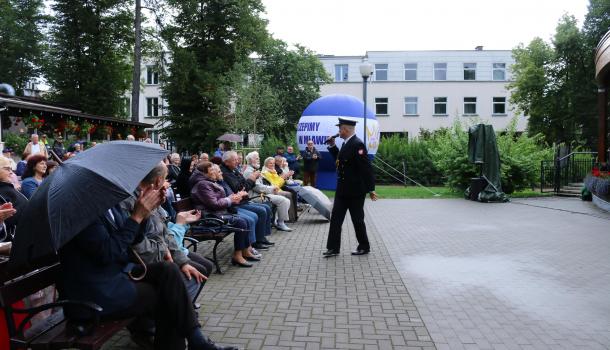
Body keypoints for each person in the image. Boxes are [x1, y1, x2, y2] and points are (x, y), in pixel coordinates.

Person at [58, 166, 237, 350]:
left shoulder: (107, 205)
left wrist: (144, 214)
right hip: (95, 295)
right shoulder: (82, 215)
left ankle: (196, 339)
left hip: (113, 276)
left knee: (168, 270)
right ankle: (195, 342)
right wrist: (136, 217)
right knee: (166, 295)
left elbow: (131, 239)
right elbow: (108, 253)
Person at [323, 118, 378, 258]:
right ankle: (333, 248)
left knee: (357, 220)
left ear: (345, 130)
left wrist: (371, 189)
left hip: (355, 191)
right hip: (342, 190)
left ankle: (364, 246)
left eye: (340, 129)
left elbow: (366, 168)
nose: (338, 132)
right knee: (335, 219)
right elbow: (341, 161)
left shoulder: (358, 144)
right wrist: (332, 146)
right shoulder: (346, 143)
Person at [190, 161, 259, 267]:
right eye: (211, 169)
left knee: (243, 221)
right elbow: (214, 203)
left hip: (217, 213)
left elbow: (217, 200)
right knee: (241, 222)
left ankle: (244, 251)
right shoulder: (202, 184)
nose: (214, 172)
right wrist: (230, 199)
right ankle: (238, 255)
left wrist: (232, 198)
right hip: (209, 217)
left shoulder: (207, 181)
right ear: (205, 172)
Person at [220, 151, 274, 249]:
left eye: (237, 159)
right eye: (234, 160)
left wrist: (249, 181)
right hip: (237, 203)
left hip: (242, 200)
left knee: (266, 207)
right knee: (261, 211)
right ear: (226, 162)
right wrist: (252, 178)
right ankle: (254, 242)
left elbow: (244, 185)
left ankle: (261, 237)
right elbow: (240, 188)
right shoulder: (225, 173)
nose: (237, 162)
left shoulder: (233, 170)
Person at [244, 152, 293, 231]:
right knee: (283, 200)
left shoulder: (254, 169)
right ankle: (280, 223)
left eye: (259, 158)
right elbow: (256, 187)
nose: (259, 160)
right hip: (255, 196)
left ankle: (279, 221)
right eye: (257, 158)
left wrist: (273, 188)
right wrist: (272, 189)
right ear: (250, 160)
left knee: (285, 199)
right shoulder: (249, 171)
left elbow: (264, 184)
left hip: (261, 193)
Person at [261, 157, 298, 222]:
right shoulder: (266, 173)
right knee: (289, 194)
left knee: (292, 192)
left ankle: (291, 217)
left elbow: (278, 183)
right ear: (266, 164)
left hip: (277, 189)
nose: (272, 165)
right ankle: (289, 218)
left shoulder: (273, 171)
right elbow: (275, 185)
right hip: (272, 191)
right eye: (270, 163)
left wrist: (285, 177)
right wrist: (283, 178)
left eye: (273, 163)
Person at [0, 157, 27, 240]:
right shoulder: (2, 191)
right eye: (7, 169)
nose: (11, 172)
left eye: (11, 169)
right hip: (14, 242)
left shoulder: (6, 186)